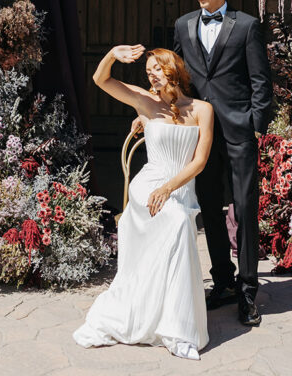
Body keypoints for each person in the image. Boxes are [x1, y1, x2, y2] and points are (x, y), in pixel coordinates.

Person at [73, 44, 214, 360]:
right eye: (148, 70)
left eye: (157, 68)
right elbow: (100, 80)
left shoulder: (203, 110)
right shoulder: (145, 102)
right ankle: (166, 324)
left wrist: (169, 188)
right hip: (147, 187)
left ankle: (176, 324)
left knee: (178, 219)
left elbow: (200, 161)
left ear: (173, 70)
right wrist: (111, 54)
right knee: (176, 222)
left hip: (177, 188)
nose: (152, 74)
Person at [173, 0, 273, 327]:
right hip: (202, 135)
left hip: (239, 131)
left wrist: (255, 126)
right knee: (210, 209)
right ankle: (223, 283)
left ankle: (248, 293)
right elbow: (179, 80)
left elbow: (261, 81)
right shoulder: (183, 26)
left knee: (245, 209)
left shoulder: (246, 26)